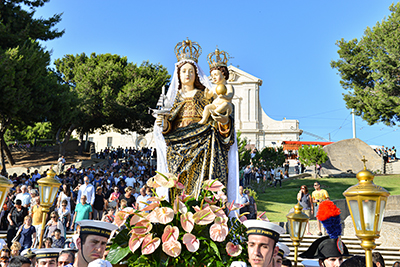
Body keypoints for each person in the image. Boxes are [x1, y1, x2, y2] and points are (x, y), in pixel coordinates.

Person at [155, 39, 236, 200]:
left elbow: (217, 120)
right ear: (178, 74)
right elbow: (167, 127)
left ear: (197, 74)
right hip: (178, 147)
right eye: (184, 71)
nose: (187, 74)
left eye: (191, 71)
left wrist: (224, 122)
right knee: (177, 187)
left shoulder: (204, 95)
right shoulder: (173, 99)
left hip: (203, 144)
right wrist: (163, 125)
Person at [198, 49, 234, 125]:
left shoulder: (228, 86)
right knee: (207, 107)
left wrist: (224, 96)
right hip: (215, 105)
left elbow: (230, 95)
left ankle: (215, 112)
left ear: (224, 75)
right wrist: (206, 93)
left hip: (226, 107)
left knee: (226, 104)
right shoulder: (214, 87)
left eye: (216, 75)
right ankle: (204, 119)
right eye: (212, 76)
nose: (213, 78)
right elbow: (208, 96)